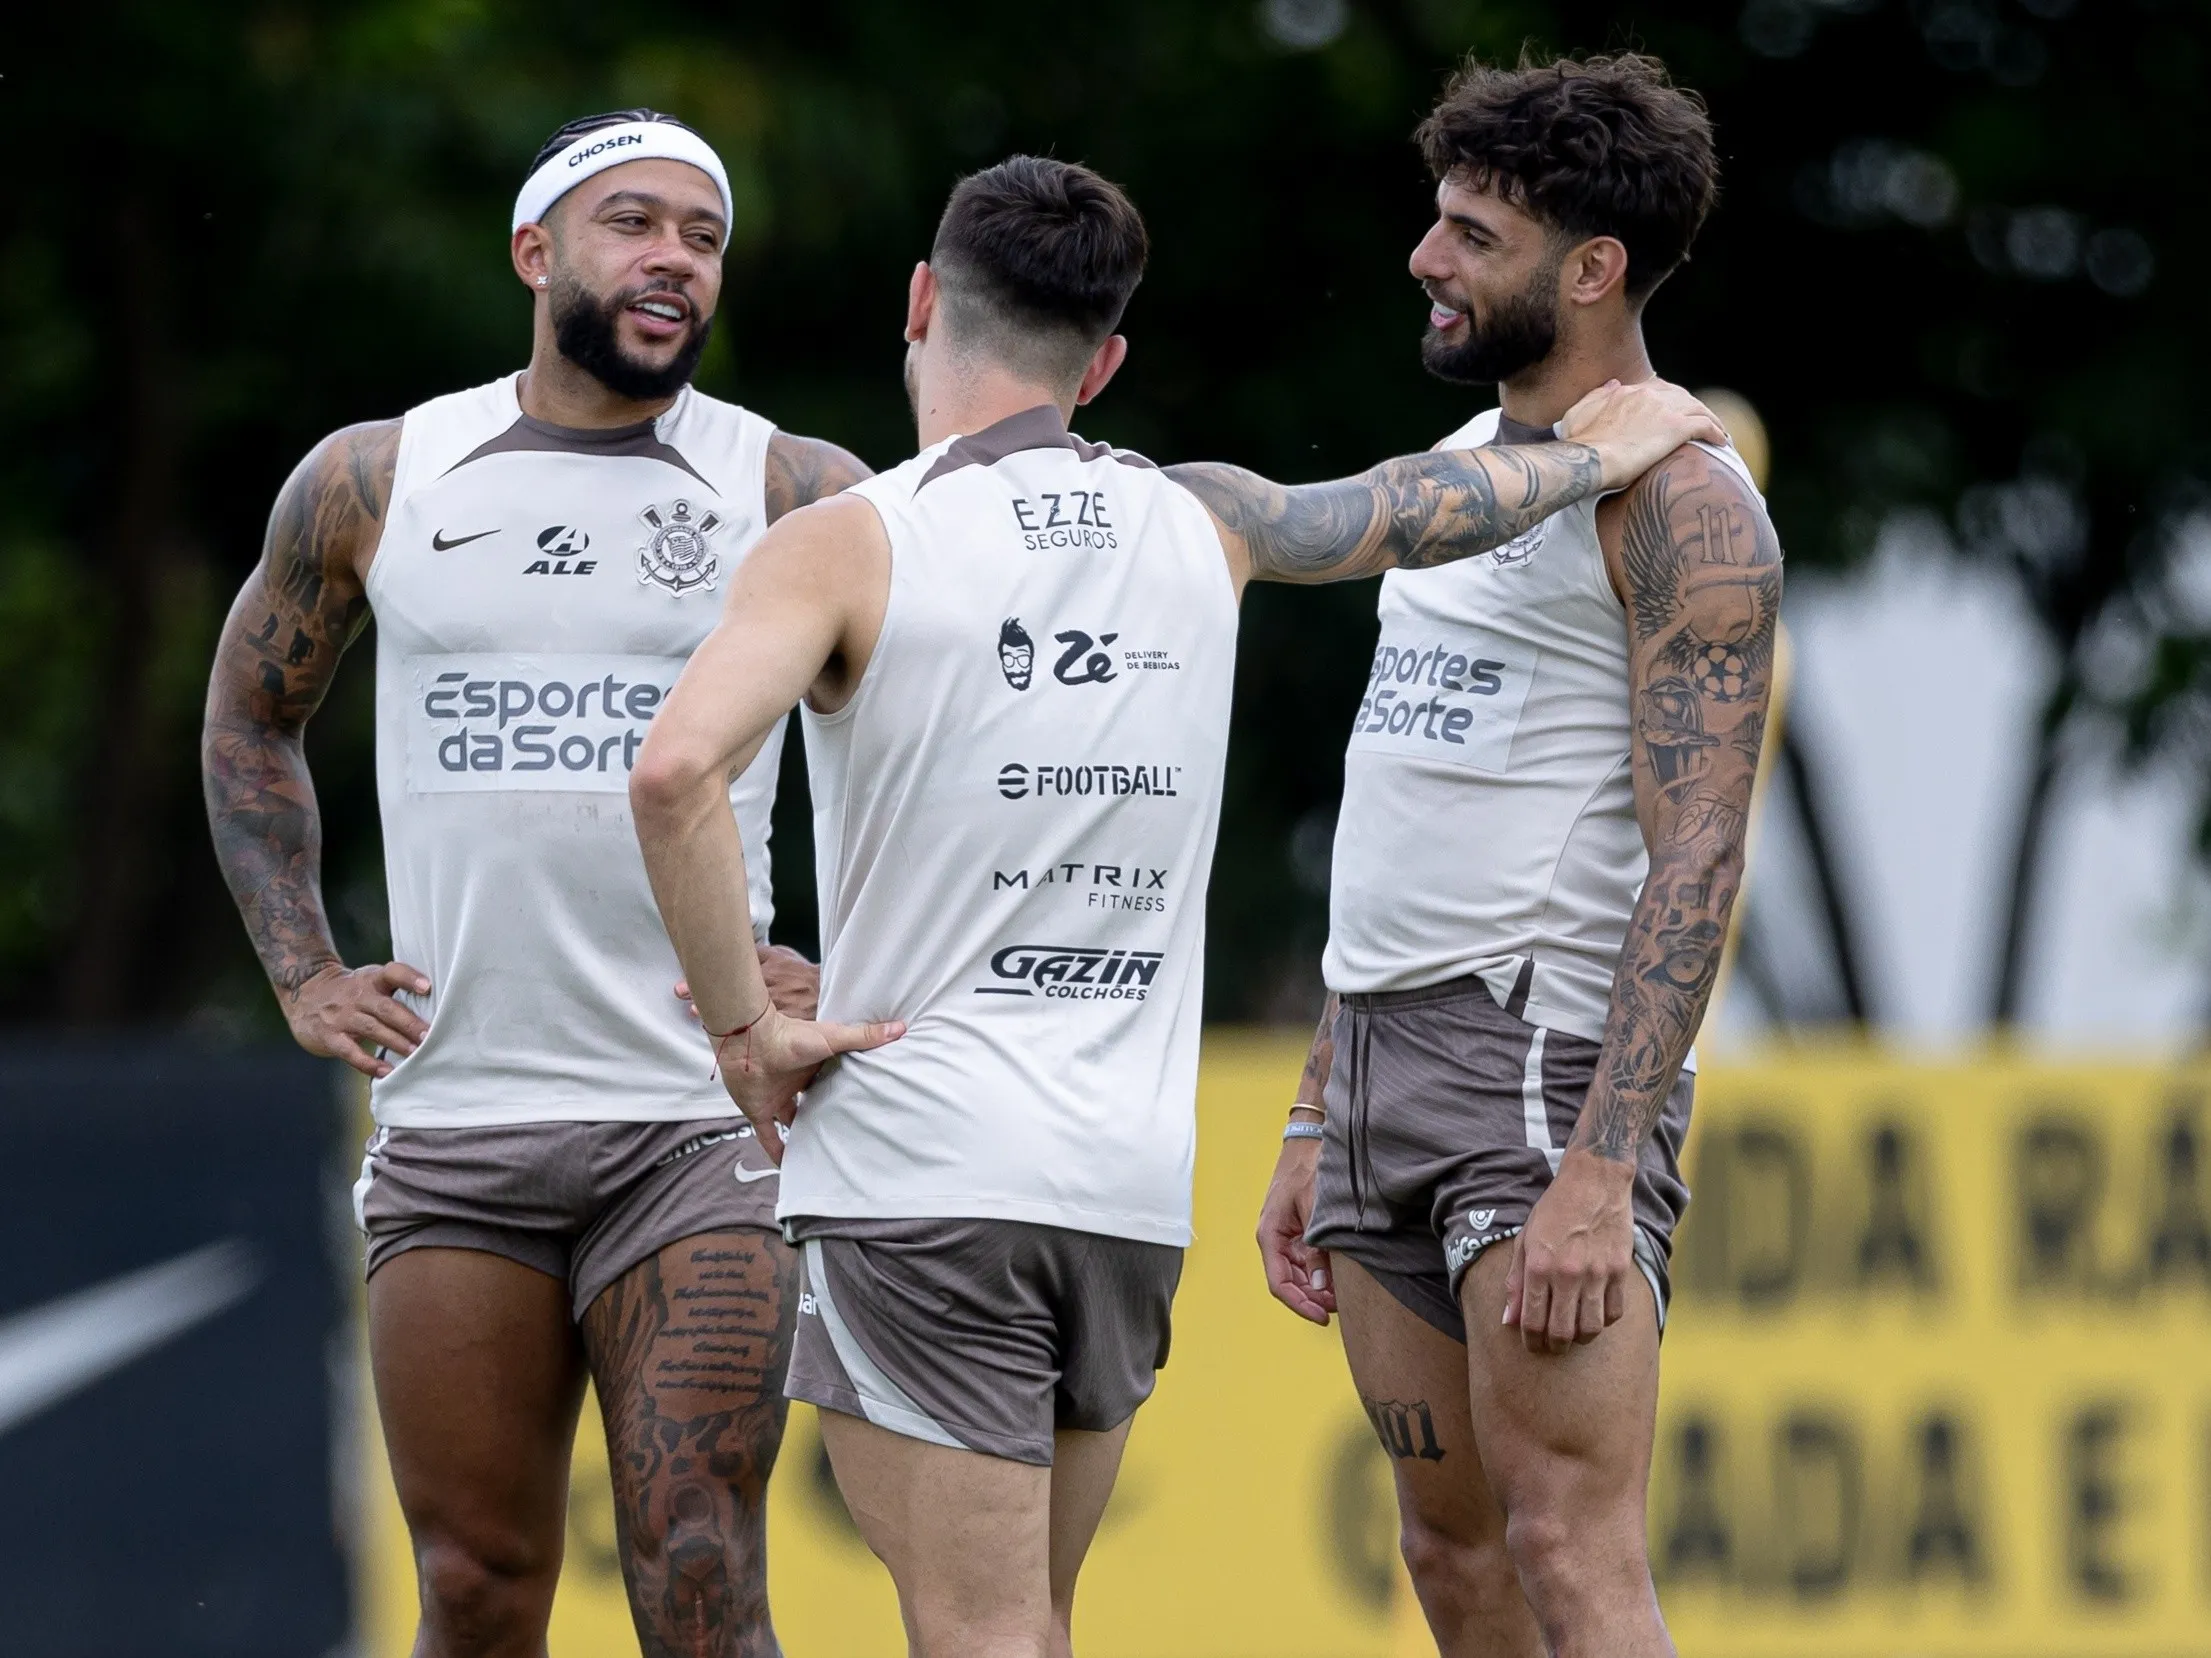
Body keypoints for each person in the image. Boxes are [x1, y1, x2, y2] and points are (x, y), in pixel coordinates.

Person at [627, 153, 1722, 1658]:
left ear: (921, 301)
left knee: (977, 1628)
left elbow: (673, 769)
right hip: (1119, 1198)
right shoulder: (1205, 522)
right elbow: (1419, 503)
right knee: (1037, 1619)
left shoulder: (850, 537)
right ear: (1109, 359)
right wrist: (1607, 445)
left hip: (925, 1171)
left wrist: (747, 1029)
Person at [202, 109, 865, 1658]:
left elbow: (924, 743)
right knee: (479, 1587)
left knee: (697, 1571)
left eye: (703, 239)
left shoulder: (795, 486)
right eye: (634, 222)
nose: (674, 260)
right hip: (457, 1124)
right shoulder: (377, 475)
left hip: (697, 1126)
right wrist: (300, 964)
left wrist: (850, 955)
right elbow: (250, 714)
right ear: (536, 249)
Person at [1254, 53, 1780, 1658]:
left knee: (1569, 1545)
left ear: (1590, 268)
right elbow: (1409, 801)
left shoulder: (1685, 504)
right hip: (1377, 1064)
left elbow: (1700, 854)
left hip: (1539, 1073)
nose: (1426, 255)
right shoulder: (1474, 475)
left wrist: (1602, 1167)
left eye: (1470, 232)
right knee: (1450, 1552)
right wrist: (1311, 1099)